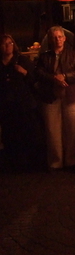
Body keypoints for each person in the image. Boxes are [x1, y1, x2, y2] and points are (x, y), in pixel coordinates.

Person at [35, 26, 75, 171]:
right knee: (52, 131)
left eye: (60, 36)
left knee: (73, 130)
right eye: (54, 37)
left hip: (71, 95)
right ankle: (55, 162)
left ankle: (73, 161)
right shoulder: (44, 57)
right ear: (50, 40)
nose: (57, 39)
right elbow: (38, 72)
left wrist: (65, 76)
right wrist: (54, 78)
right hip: (51, 96)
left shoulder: (73, 55)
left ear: (64, 38)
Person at [0, 34, 43, 172]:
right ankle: (13, 164)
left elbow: (34, 80)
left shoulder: (21, 60)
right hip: (6, 105)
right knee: (10, 134)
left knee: (28, 133)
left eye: (10, 43)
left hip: (23, 104)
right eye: (5, 43)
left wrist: (24, 72)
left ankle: (30, 164)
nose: (8, 46)